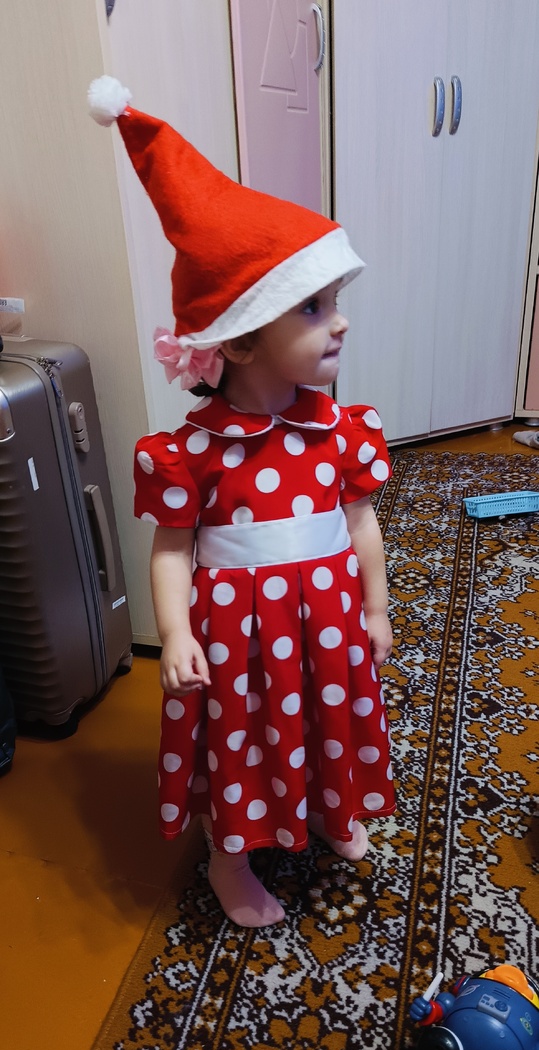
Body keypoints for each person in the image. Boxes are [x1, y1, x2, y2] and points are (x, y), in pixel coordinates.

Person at [88, 76, 396, 928]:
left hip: (326, 622)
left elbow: (360, 524)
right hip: (239, 640)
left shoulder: (339, 431)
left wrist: (374, 609)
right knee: (242, 742)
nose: (339, 322)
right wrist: (177, 634)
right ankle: (231, 858)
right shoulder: (191, 452)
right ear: (243, 338)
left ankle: (331, 807)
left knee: (328, 713)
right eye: (312, 307)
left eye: (334, 303)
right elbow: (172, 548)